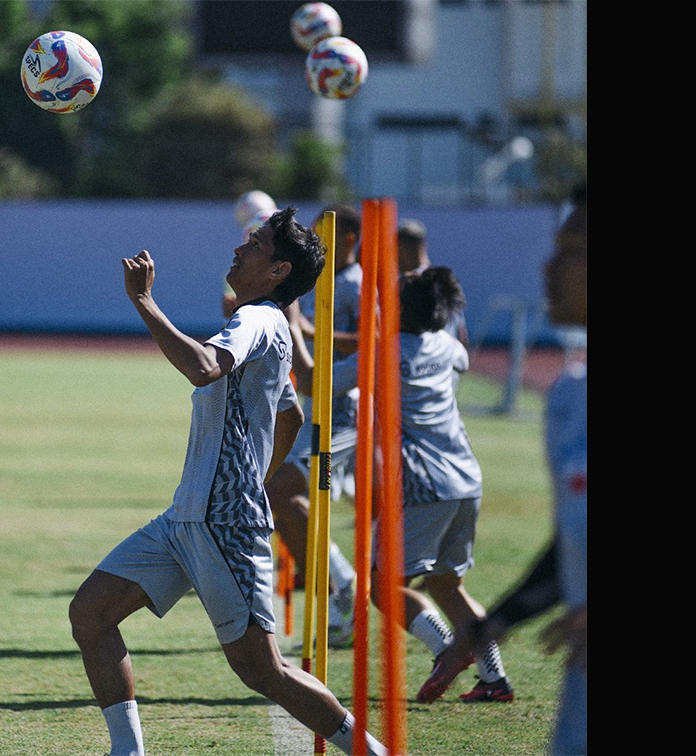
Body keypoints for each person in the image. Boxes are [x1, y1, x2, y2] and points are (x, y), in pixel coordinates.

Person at [69, 207, 389, 756]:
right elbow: (288, 413)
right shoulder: (267, 324)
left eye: (256, 244)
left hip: (222, 523)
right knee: (91, 615)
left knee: (264, 671)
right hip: (187, 517)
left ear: (277, 271)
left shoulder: (260, 319)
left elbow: (203, 368)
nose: (240, 249)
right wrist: (257, 477)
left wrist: (144, 301)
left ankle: (372, 751)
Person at [287, 265, 513, 705]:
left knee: (383, 586)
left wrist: (295, 324)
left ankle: (447, 649)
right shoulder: (448, 347)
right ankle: (495, 678)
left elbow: (316, 381)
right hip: (466, 476)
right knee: (448, 585)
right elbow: (461, 355)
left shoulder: (383, 352)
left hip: (423, 482)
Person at [445, 181, 586, 753]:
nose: (549, 268)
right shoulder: (570, 398)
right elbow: (570, 549)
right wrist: (487, 629)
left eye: (574, 251)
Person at [265, 203, 363, 647]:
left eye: (323, 232)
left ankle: (345, 587)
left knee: (283, 488)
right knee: (275, 493)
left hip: (343, 413)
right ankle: (337, 586)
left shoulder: (358, 285)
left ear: (348, 238)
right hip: (313, 404)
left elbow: (376, 339)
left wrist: (303, 325)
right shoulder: (320, 275)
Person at [398, 219, 467, 349]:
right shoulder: (446, 281)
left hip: (416, 363)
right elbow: (462, 336)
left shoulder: (406, 286)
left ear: (401, 247)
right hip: (446, 363)